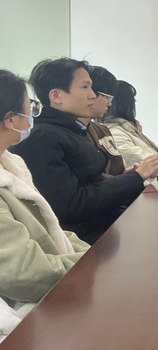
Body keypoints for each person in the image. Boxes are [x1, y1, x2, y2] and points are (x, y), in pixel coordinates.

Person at [10, 58, 158, 243]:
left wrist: (126, 178)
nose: (92, 95)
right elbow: (72, 206)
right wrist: (135, 177)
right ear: (57, 96)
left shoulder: (72, 131)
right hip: (87, 241)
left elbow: (91, 182)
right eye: (85, 87)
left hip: (107, 226)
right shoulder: (42, 139)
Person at [0, 69, 89, 319]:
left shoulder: (11, 164)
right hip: (26, 311)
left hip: (55, 278)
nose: (32, 114)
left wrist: (91, 255)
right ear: (10, 120)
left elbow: (52, 229)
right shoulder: (45, 139)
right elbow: (25, 275)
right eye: (30, 107)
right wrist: (89, 264)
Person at [105, 81, 158, 168]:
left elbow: (152, 156)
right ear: (124, 103)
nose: (135, 101)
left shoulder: (129, 129)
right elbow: (145, 162)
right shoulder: (114, 133)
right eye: (132, 99)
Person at [83, 65, 125, 176]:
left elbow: (117, 171)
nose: (110, 103)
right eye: (108, 97)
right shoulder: (65, 134)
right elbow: (93, 180)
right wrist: (133, 177)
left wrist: (128, 175)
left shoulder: (102, 130)